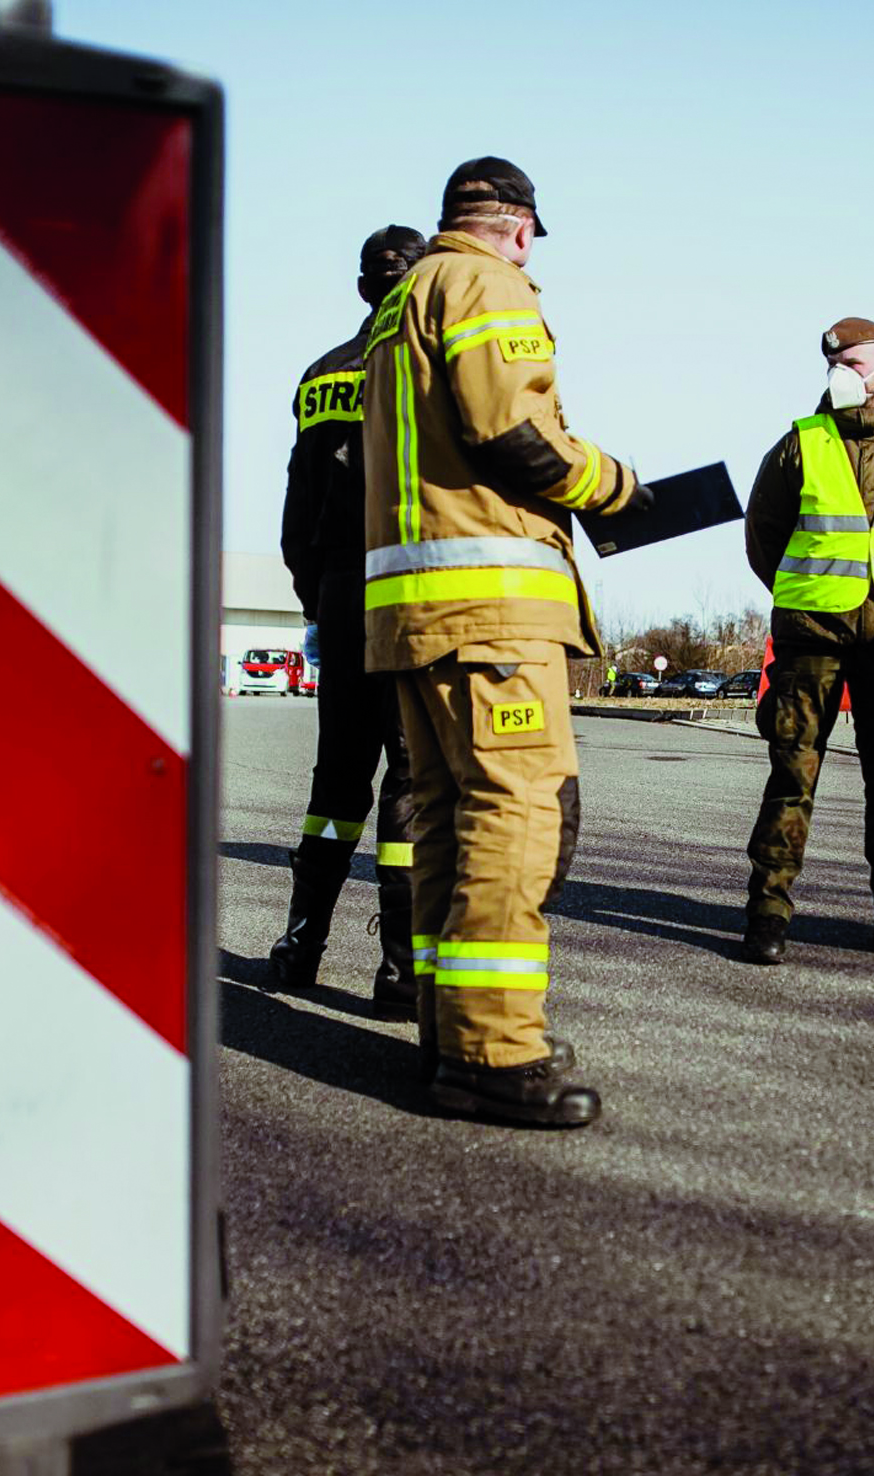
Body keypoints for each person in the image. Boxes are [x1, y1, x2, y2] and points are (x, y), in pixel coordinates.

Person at [359, 158, 647, 1127]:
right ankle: (493, 1050)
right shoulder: (485, 282)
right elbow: (509, 433)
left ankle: (450, 1032)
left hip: (415, 610)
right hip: (493, 613)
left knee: (443, 817)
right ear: (519, 229)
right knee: (516, 815)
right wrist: (615, 485)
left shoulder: (400, 299)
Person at [739, 317, 874, 966]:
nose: (840, 370)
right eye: (832, 360)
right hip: (811, 639)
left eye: (853, 360)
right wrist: (810, 597)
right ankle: (768, 914)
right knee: (791, 776)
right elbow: (765, 540)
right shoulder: (798, 445)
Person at [270, 226, 430, 1019]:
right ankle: (400, 972)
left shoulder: (321, 373)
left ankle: (301, 943)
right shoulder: (423, 365)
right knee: (408, 777)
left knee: (335, 780)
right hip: (405, 591)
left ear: (364, 286)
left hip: (337, 589)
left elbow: (297, 508)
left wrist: (316, 593)